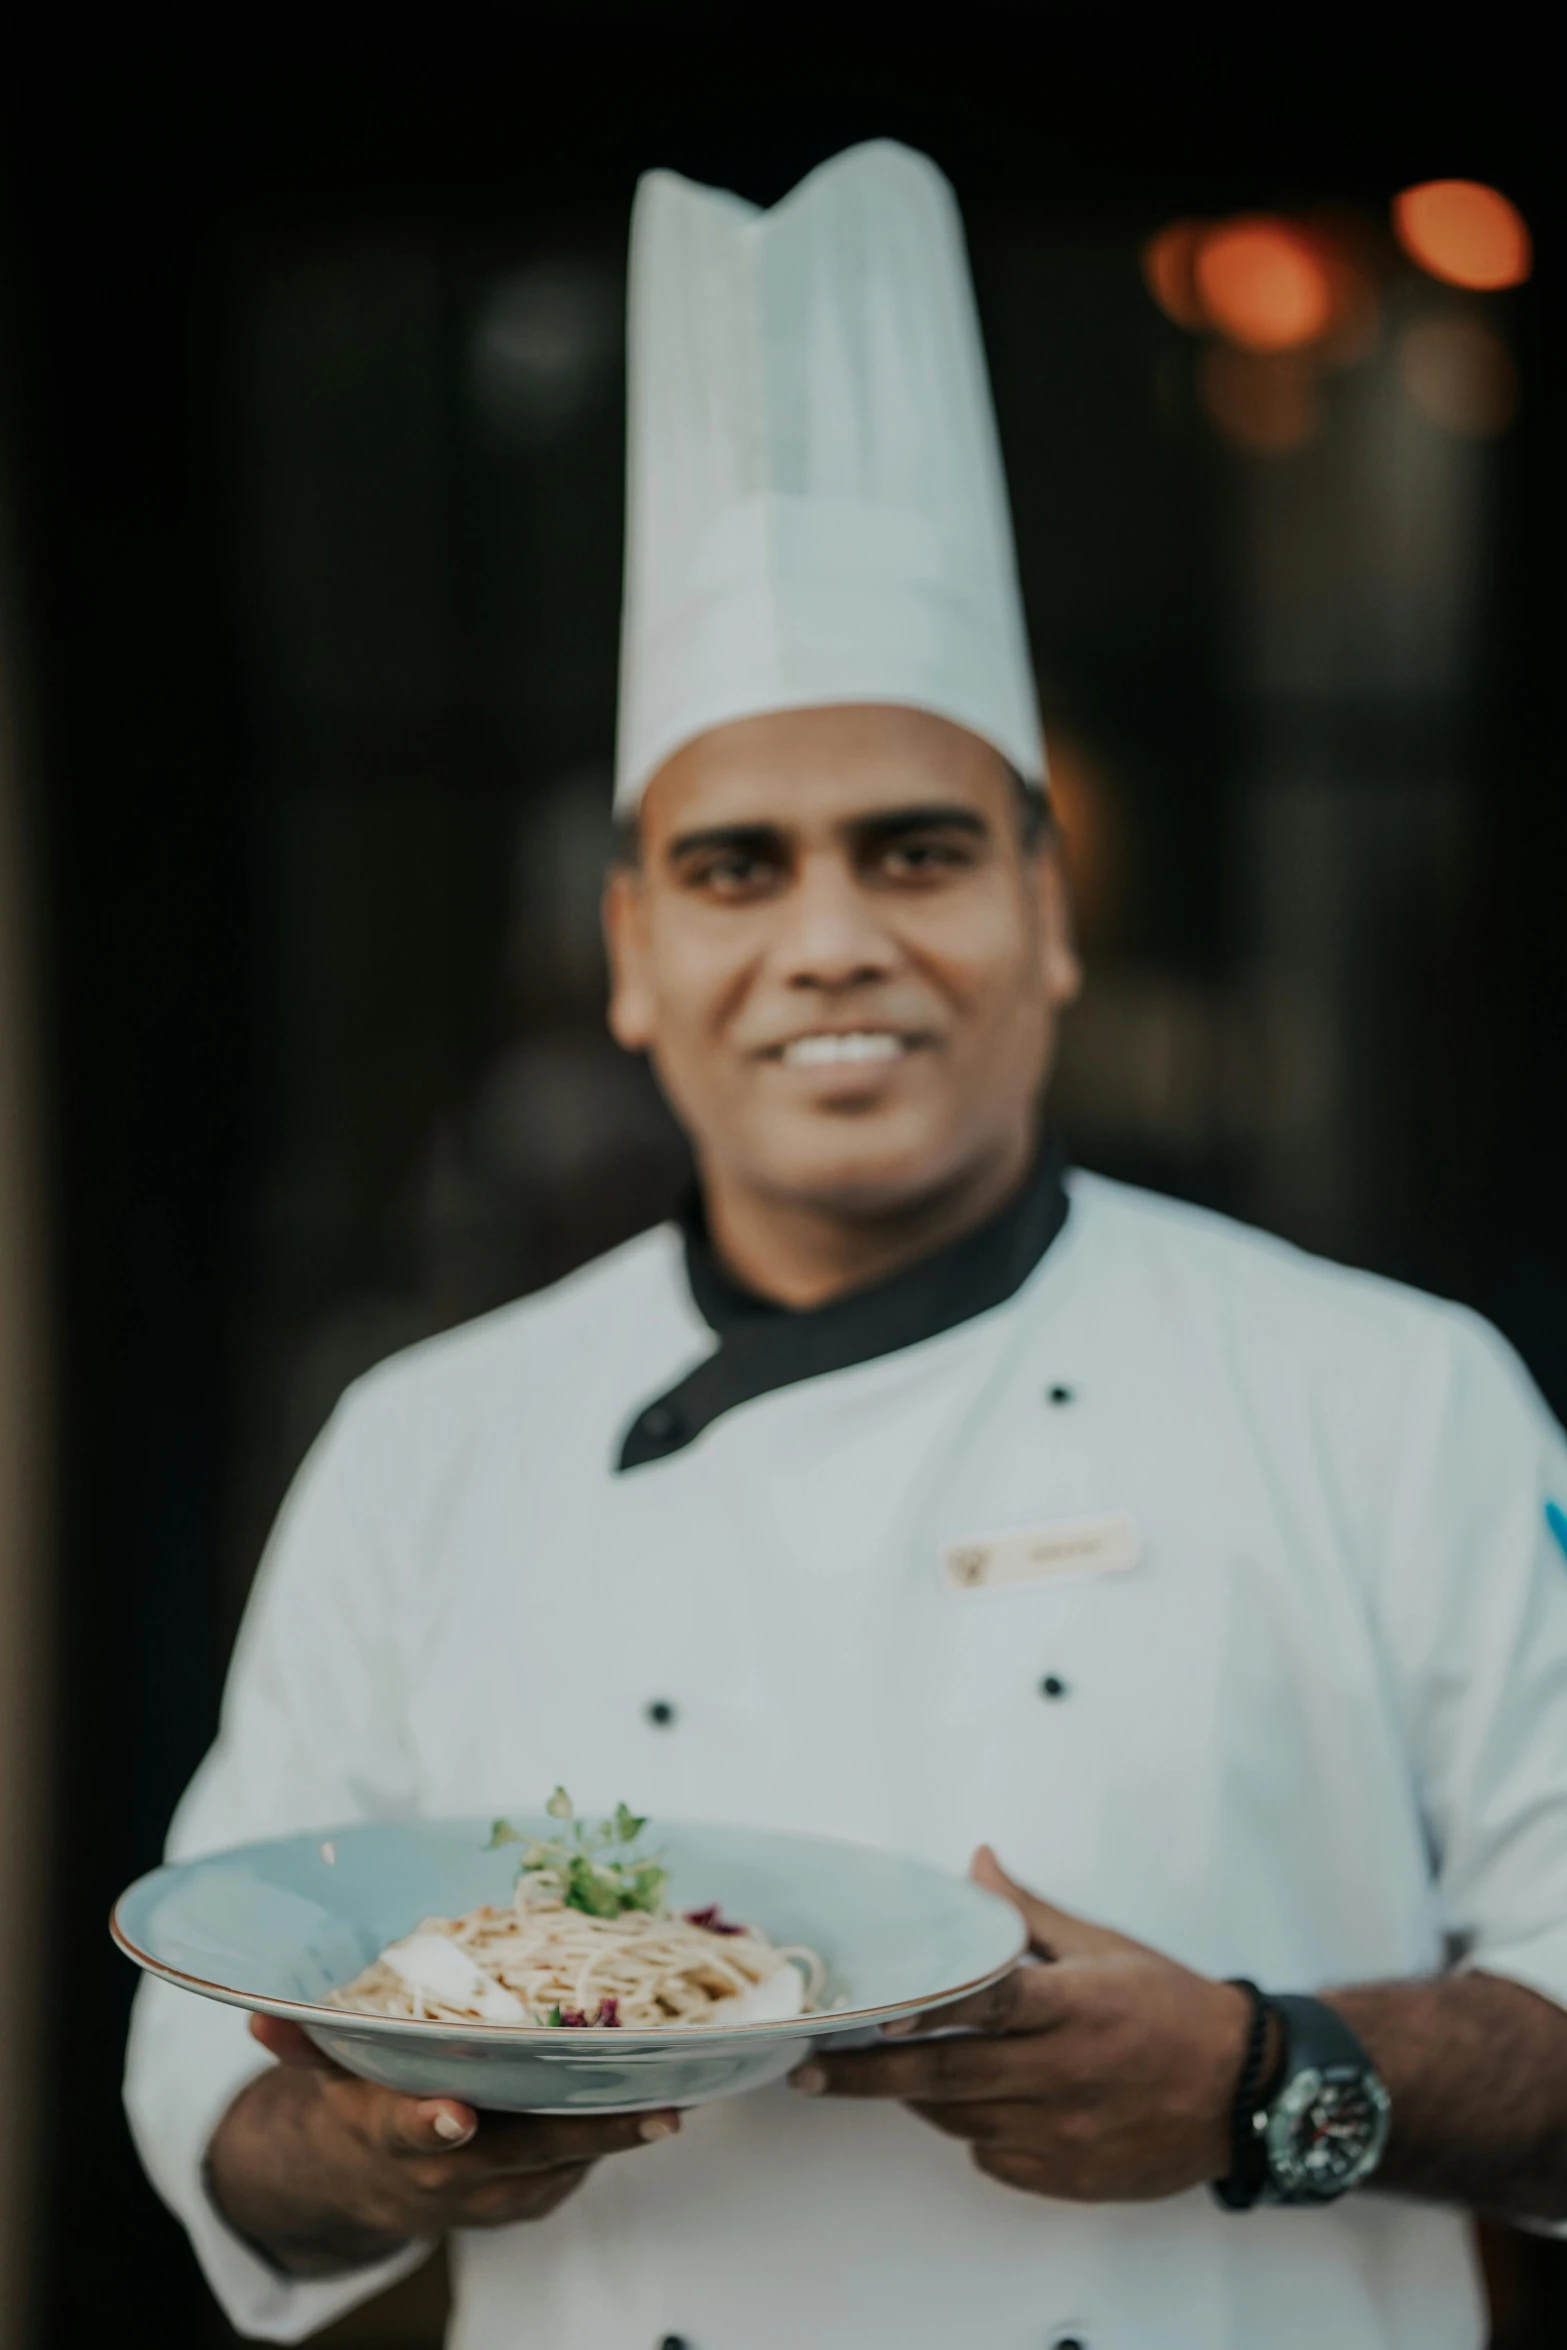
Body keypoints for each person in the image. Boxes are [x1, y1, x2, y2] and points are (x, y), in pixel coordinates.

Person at [126, 141, 1567, 2350]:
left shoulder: (1393, 1394)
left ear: (1052, 908)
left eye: (914, 849)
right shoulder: (426, 1443)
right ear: (626, 948)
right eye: (734, 866)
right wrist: (393, 2133)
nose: (829, 942)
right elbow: (220, 2106)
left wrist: (1262, 2077)